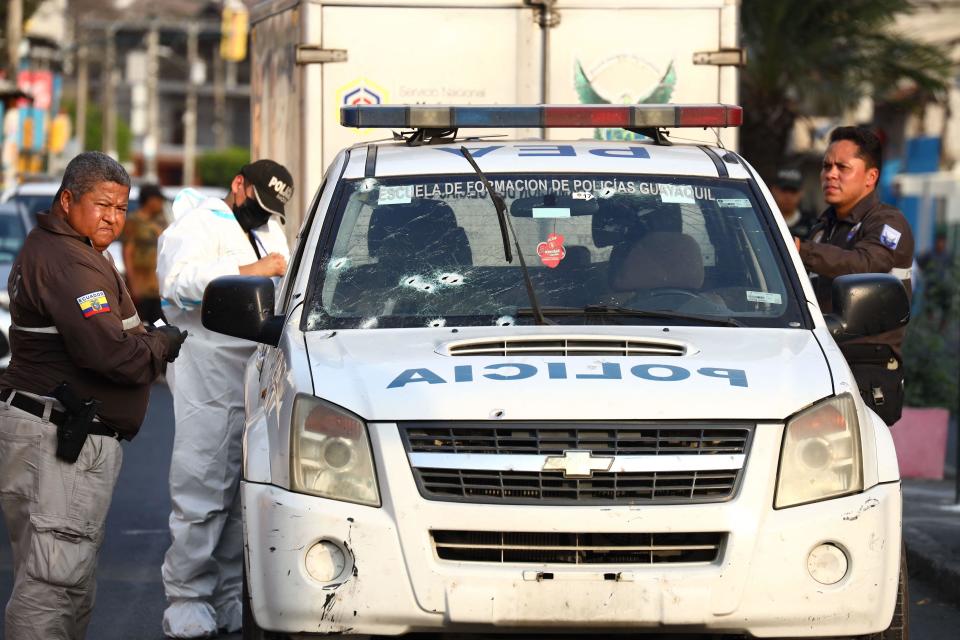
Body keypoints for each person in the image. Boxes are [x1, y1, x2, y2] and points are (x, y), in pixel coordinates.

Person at [0, 152, 187, 640]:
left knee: (64, 580)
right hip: (57, 439)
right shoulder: (67, 263)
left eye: (121, 208)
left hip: (58, 437)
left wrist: (141, 341)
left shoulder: (74, 250)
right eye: (103, 205)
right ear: (67, 200)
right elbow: (113, 355)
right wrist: (160, 344)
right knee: (50, 585)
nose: (114, 218)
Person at [158, 159, 292, 638]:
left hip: (258, 376)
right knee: (202, 487)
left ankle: (231, 596)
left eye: (270, 210)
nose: (263, 216)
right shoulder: (198, 225)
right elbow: (178, 284)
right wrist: (253, 268)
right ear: (239, 186)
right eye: (257, 205)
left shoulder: (272, 232)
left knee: (244, 494)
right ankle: (186, 598)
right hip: (207, 376)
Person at [796, 126, 914, 425]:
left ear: (871, 177)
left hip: (864, 364)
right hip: (820, 357)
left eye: (842, 167)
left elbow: (866, 264)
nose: (830, 174)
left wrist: (803, 250)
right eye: (826, 166)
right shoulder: (824, 228)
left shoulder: (888, 223)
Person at [123, 183, 168, 323]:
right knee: (140, 324)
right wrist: (132, 283)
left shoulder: (161, 221)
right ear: (150, 200)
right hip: (141, 284)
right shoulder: (133, 221)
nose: (161, 204)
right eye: (159, 200)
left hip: (158, 286)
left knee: (160, 323)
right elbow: (127, 252)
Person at [770, 165, 815, 239]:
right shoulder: (765, 220)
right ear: (774, 190)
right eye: (784, 190)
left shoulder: (811, 224)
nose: (788, 196)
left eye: (793, 191)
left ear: (801, 193)